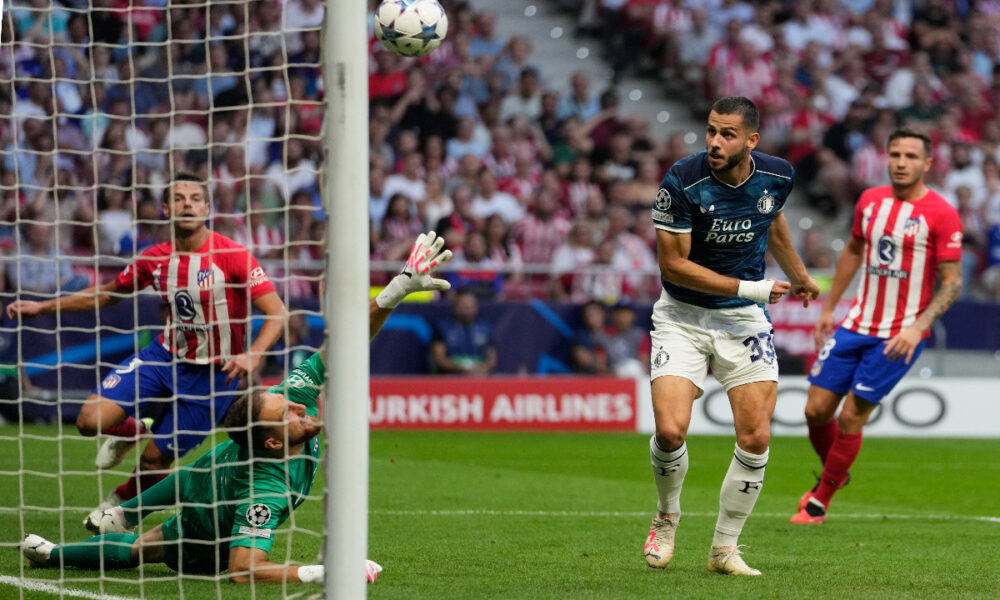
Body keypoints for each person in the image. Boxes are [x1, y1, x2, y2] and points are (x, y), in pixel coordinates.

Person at [19, 231, 454, 585]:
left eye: (290, 403)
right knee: (143, 547)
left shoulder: (292, 399)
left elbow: (346, 343)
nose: (300, 409)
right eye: (287, 414)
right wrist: (325, 573)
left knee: (180, 493)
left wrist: (396, 289)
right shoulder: (265, 490)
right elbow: (242, 570)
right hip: (205, 538)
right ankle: (57, 552)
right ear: (272, 442)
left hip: (214, 480)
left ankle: (101, 525)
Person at [5, 174, 288, 507]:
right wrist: (42, 307)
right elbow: (107, 294)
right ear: (166, 209)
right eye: (179, 199)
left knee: (155, 461)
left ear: (207, 208)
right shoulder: (154, 258)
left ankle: (118, 506)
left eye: (195, 199)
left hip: (214, 375)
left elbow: (278, 312)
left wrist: (254, 354)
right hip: (163, 357)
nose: (187, 205)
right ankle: (135, 430)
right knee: (88, 421)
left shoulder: (234, 255)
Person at [642, 96, 820, 576]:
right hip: (682, 317)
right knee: (670, 431)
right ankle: (666, 517)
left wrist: (799, 275)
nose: (715, 142)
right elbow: (673, 265)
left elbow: (772, 220)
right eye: (711, 131)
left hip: (742, 321)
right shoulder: (682, 181)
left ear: (751, 140)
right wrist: (752, 288)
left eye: (727, 134)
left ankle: (724, 548)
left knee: (756, 436)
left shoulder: (778, 175)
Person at [791, 128, 963, 525]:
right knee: (815, 411)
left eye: (911, 156)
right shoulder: (870, 200)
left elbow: (953, 282)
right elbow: (854, 250)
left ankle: (819, 502)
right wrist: (829, 307)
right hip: (855, 323)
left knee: (851, 416)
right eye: (896, 154)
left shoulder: (942, 212)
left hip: (899, 334)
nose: (901, 162)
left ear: (927, 164)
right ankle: (836, 473)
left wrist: (917, 329)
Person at [430, 288, 498, 375]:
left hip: (480, 376)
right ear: (455, 307)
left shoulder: (486, 329)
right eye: (463, 305)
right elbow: (439, 359)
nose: (467, 308)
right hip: (451, 376)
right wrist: (462, 369)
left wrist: (484, 368)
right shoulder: (442, 328)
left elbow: (492, 356)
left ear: (476, 307)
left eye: (470, 305)